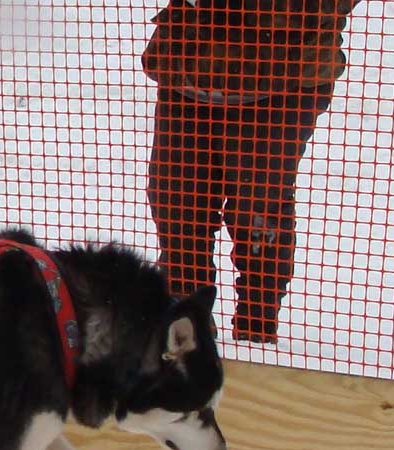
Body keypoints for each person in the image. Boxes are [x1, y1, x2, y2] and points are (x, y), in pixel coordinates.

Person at [142, 0, 361, 343]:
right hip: (189, 61)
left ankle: (255, 336)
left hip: (281, 74)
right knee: (177, 203)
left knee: (257, 212)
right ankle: (185, 333)